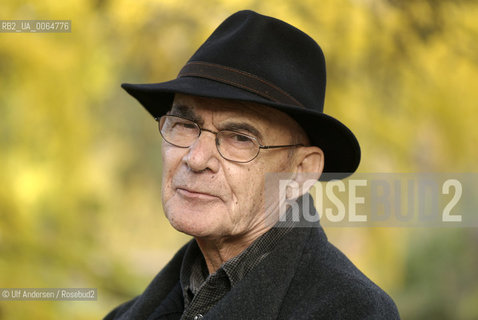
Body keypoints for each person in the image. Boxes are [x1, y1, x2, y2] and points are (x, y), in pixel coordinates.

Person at [105, 10, 400, 320]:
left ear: (301, 171)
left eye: (240, 138)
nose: (196, 158)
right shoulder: (127, 315)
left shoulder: (352, 312)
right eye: (185, 124)